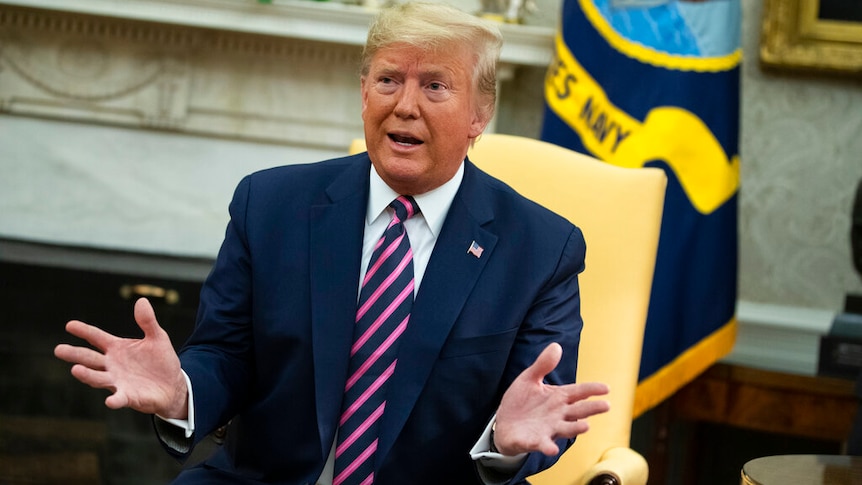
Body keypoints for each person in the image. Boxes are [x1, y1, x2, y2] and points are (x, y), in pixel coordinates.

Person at [54, 2, 610, 484]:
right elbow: (226, 355)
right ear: (364, 92)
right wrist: (182, 394)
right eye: (389, 80)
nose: (406, 105)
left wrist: (504, 441)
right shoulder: (270, 204)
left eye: (435, 86)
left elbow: (542, 405)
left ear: (479, 115)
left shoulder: (540, 248)